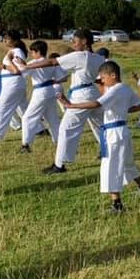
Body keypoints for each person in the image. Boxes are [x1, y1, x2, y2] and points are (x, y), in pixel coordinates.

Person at [58, 61, 140, 213]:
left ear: (113, 75)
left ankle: (117, 204)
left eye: (103, 78)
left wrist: (71, 106)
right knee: (127, 163)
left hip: (114, 132)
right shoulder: (125, 88)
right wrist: (123, 110)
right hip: (122, 130)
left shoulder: (115, 90)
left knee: (110, 166)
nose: (102, 81)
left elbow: (97, 104)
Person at [23, 29, 105, 174]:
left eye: (75, 41)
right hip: (93, 92)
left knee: (65, 129)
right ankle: (108, 151)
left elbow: (52, 61)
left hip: (81, 95)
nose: (72, 43)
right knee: (100, 127)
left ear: (84, 41)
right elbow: (99, 79)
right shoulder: (98, 58)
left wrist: (27, 66)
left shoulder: (80, 56)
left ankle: (59, 165)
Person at [18, 40, 60, 154]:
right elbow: (61, 77)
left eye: (32, 52)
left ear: (37, 52)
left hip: (40, 92)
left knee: (27, 118)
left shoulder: (34, 63)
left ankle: (26, 145)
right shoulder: (50, 62)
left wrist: (20, 64)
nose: (31, 55)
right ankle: (59, 141)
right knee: (52, 119)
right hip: (51, 90)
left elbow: (22, 72)